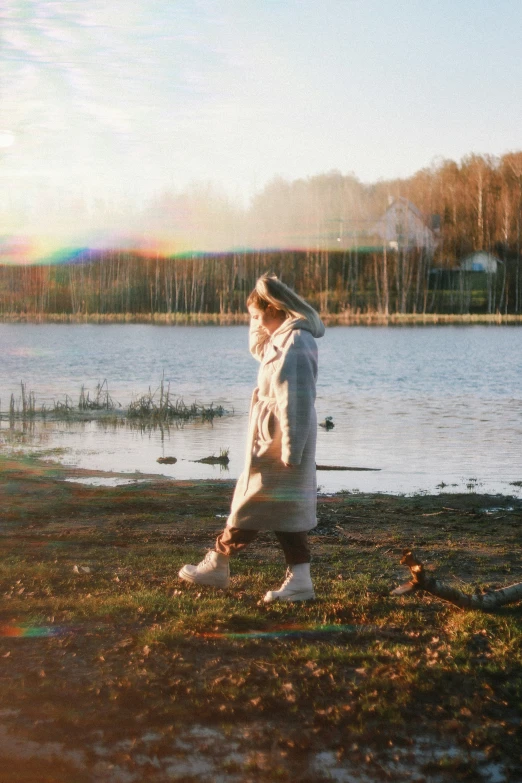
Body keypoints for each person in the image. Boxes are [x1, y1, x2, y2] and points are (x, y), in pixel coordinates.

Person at [179, 273, 325, 602]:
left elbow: (297, 399)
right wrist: (259, 310)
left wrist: (291, 449)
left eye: (259, 316)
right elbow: (258, 348)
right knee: (281, 507)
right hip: (272, 431)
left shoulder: (297, 342)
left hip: (283, 435)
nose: (255, 323)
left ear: (276, 311)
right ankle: (299, 579)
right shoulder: (280, 338)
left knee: (253, 502)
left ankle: (218, 563)